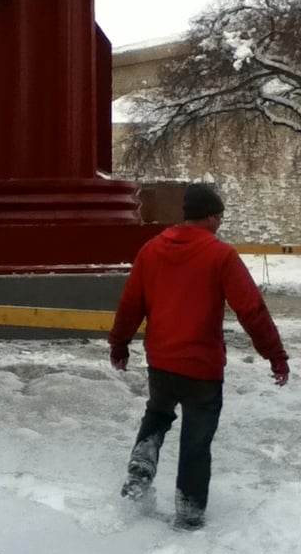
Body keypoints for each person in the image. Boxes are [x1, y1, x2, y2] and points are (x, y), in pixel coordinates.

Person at [108, 183, 289, 530]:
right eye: (219, 217)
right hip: (203, 368)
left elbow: (130, 305)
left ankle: (142, 461)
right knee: (196, 440)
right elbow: (251, 310)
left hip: (161, 361)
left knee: (158, 414)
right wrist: (275, 355)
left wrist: (119, 345)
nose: (220, 223)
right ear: (210, 216)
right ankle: (189, 512)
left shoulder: (150, 251)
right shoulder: (220, 255)